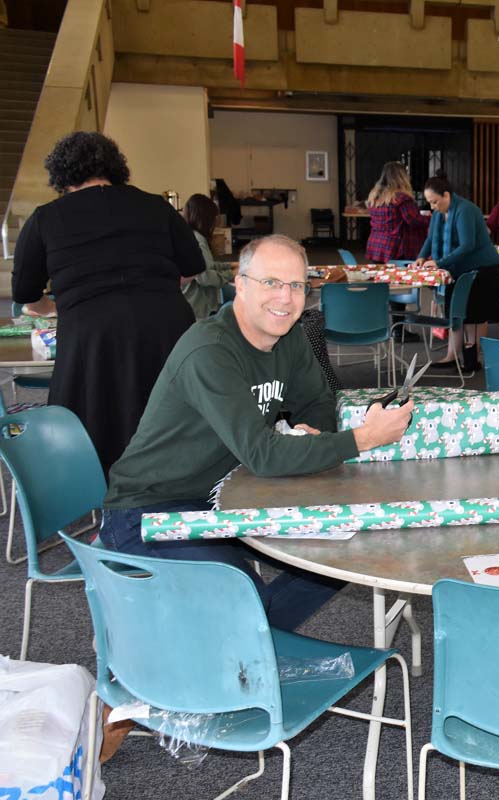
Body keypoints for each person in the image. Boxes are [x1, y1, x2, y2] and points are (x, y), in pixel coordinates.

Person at [101, 234, 415, 631]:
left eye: (297, 285)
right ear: (241, 283)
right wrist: (364, 438)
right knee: (242, 594)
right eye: (271, 283)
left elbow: (317, 401)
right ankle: (215, 651)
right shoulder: (209, 351)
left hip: (231, 494)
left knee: (346, 555)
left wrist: (312, 432)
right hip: (149, 509)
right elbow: (264, 455)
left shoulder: (290, 336)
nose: (285, 298)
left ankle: (238, 645)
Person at [12, 131, 205, 476]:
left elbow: (25, 294)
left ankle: (102, 495)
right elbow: (192, 268)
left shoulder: (46, 218)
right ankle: (175, 488)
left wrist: (53, 307)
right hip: (166, 325)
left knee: (98, 418)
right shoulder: (156, 207)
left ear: (62, 175)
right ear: (115, 167)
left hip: (92, 334)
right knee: (169, 412)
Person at [414, 176, 499, 370]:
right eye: (430, 202)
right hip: (458, 268)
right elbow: (431, 238)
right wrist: (421, 257)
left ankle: (472, 359)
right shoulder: (441, 213)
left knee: (473, 316)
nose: (432, 207)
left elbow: (467, 245)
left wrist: (438, 262)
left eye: (434, 202)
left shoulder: (465, 210)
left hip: (483, 268)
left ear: (446, 195)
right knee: (455, 313)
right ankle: (452, 356)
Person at [181, 193, 234, 320]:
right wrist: (231, 274)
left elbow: (208, 265)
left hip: (195, 307)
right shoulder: (197, 241)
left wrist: (230, 265)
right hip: (198, 310)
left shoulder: (193, 236)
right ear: (206, 218)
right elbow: (205, 278)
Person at [365, 161, 430, 262]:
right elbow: (414, 220)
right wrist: (431, 218)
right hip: (395, 247)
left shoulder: (374, 196)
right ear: (402, 177)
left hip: (376, 244)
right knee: (398, 277)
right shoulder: (401, 198)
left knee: (382, 276)